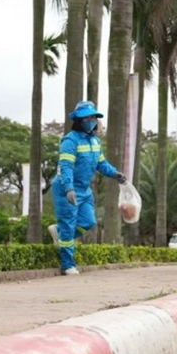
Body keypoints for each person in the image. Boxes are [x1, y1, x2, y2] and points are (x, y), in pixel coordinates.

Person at [50, 101, 126, 275]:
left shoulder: (95, 141)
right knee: (69, 226)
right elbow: (66, 166)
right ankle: (68, 264)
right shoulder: (70, 140)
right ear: (79, 120)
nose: (92, 120)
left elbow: (101, 163)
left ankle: (60, 234)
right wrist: (69, 188)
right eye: (88, 117)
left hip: (84, 190)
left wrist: (115, 174)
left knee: (88, 221)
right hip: (66, 188)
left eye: (94, 117)